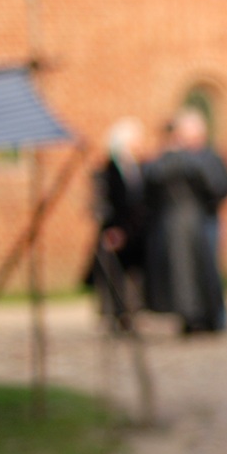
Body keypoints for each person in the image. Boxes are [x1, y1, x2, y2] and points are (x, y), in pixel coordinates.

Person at [144, 109, 227, 334]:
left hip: (206, 219)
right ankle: (192, 315)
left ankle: (215, 316)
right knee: (184, 271)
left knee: (208, 270)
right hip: (182, 223)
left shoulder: (208, 157)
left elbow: (221, 185)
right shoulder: (171, 159)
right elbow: (151, 183)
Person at [83, 117, 150, 329]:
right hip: (114, 229)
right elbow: (101, 201)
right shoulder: (107, 170)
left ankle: (132, 312)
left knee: (134, 276)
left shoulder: (140, 169)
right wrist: (112, 227)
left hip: (135, 232)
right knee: (113, 274)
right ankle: (114, 313)